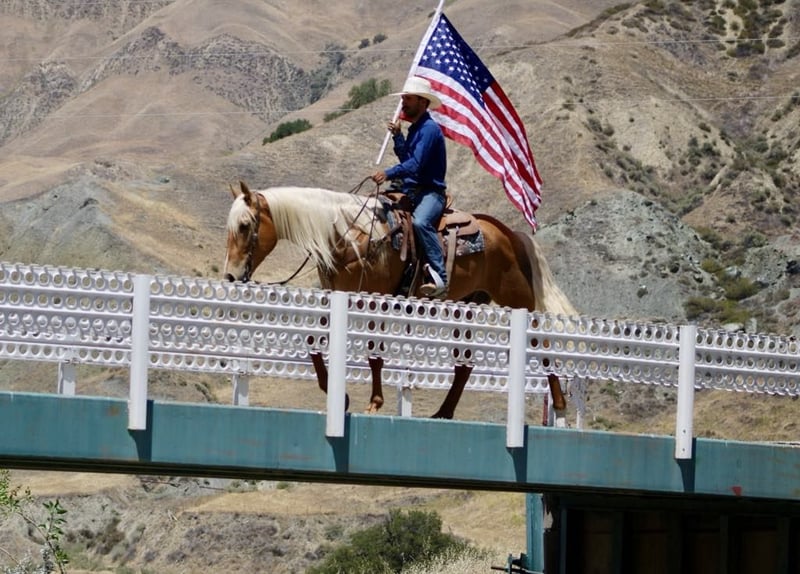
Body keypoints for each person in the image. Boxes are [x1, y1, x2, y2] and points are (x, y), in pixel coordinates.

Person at [371, 76, 448, 298]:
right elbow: (408, 159)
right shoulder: (416, 129)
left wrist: (388, 173)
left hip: (431, 193)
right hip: (411, 192)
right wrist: (398, 136)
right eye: (403, 98)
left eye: (408, 98)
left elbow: (415, 165)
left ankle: (441, 278)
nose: (403, 103)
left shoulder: (429, 129)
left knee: (421, 222)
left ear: (423, 102)